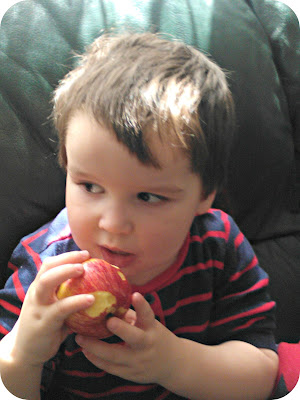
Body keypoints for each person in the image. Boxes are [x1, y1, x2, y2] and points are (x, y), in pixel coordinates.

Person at [0, 32, 278, 400]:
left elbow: (261, 370)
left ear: (205, 195)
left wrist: (174, 363)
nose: (112, 224)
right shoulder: (45, 270)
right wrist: (22, 357)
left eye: (148, 196)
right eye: (89, 186)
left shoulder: (218, 245)